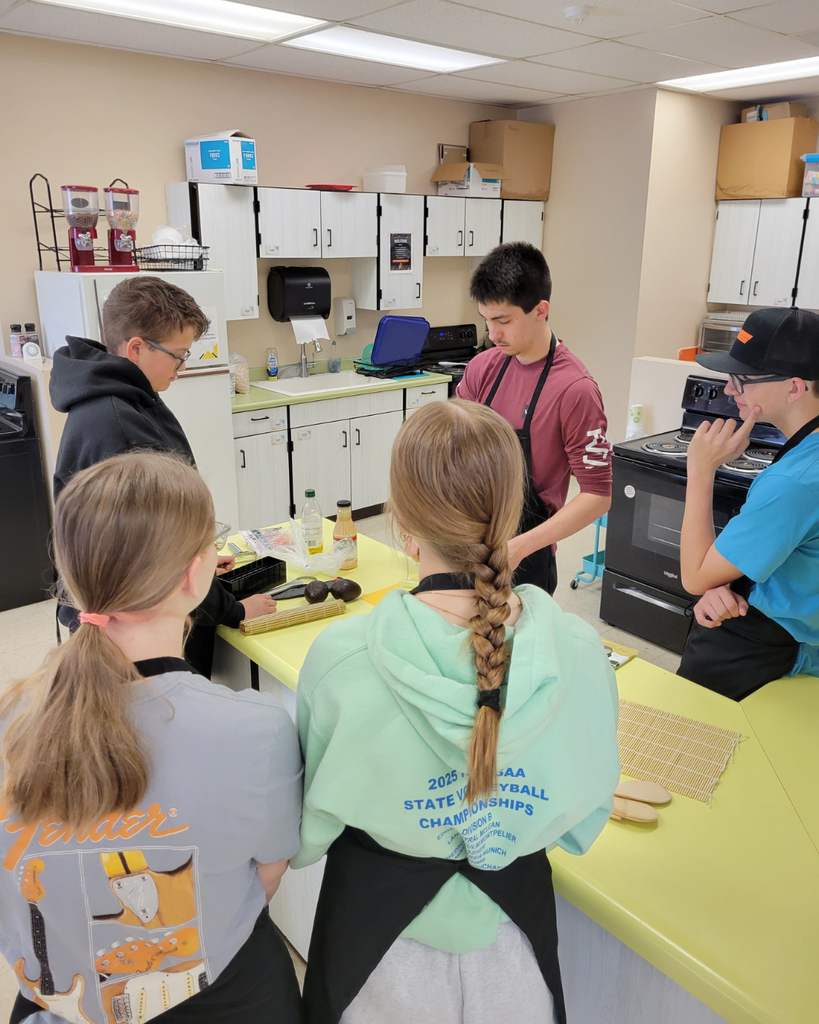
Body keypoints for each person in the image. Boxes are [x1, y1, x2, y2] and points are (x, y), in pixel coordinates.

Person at [294, 400, 620, 1024]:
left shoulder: (342, 658)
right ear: (513, 510)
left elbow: (308, 831)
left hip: (381, 953)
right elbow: (584, 824)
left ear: (401, 520)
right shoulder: (578, 652)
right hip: (513, 947)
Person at [0, 451, 303, 1024]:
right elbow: (264, 879)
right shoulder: (256, 731)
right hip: (218, 997)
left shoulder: (10, 717)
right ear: (196, 575)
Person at [49, 275, 275, 676]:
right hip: (136, 628)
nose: (183, 368)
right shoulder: (120, 426)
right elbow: (157, 554)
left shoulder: (116, 399)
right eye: (178, 355)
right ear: (136, 347)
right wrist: (233, 609)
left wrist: (200, 563)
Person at [678, 306, 819, 700]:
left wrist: (701, 469)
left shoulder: (793, 483)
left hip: (766, 644)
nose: (728, 390)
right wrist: (719, 579)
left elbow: (693, 577)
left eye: (741, 380)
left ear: (794, 387)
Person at [457, 242, 612, 594]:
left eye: (503, 321)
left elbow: (598, 496)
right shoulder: (483, 368)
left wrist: (521, 546)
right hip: (468, 537)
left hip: (527, 553)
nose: (493, 334)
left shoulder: (575, 390)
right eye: (486, 320)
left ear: (541, 310)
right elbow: (454, 448)